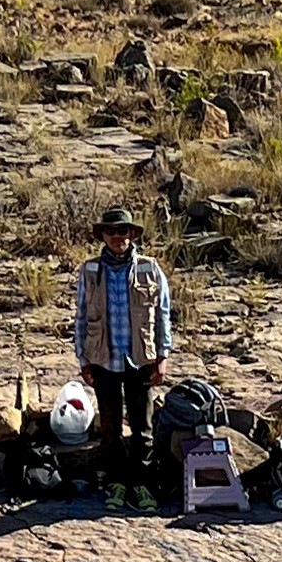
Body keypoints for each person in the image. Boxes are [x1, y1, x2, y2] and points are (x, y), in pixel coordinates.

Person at [71, 208, 174, 511]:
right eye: (112, 231)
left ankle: (142, 485)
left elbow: (163, 315)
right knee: (111, 429)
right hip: (103, 360)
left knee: (142, 427)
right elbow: (80, 316)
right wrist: (83, 360)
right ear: (103, 235)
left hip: (141, 359)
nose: (118, 237)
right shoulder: (90, 271)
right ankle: (116, 484)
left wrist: (163, 356)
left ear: (132, 234)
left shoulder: (150, 269)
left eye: (123, 231)